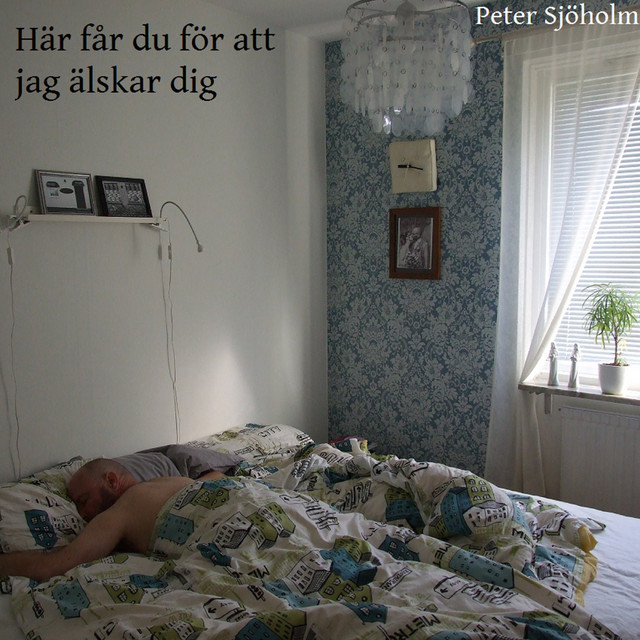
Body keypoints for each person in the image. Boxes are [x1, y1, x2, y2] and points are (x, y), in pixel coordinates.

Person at [0, 460, 225, 583]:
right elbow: (219, 477)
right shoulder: (172, 481)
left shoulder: (122, 510)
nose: (83, 514)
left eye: (84, 500)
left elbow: (52, 566)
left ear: (111, 480)